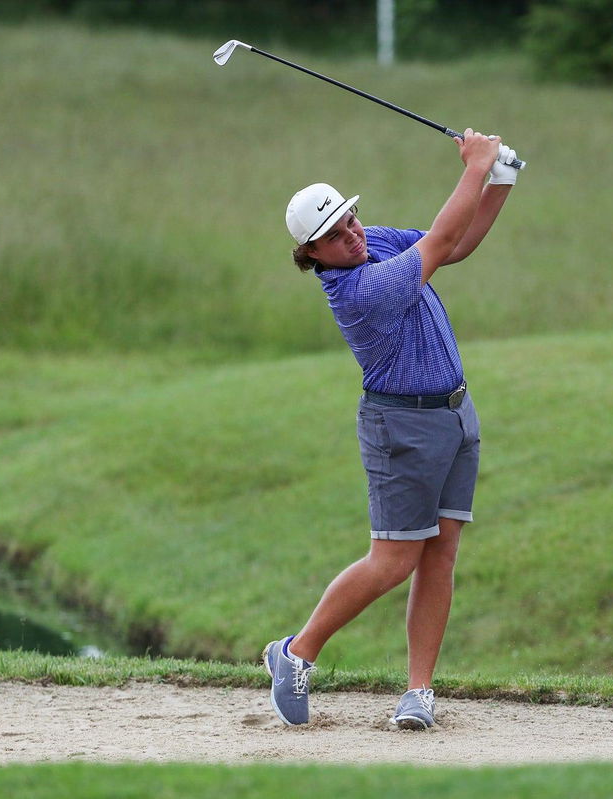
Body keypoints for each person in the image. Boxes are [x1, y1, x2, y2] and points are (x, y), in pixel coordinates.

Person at [263, 129, 518, 729]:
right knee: (393, 560)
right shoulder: (357, 289)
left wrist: (499, 181)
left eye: (350, 219)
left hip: (456, 413)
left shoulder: (370, 243)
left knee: (441, 552)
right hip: (401, 425)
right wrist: (475, 167)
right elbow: (441, 239)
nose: (352, 234)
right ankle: (296, 653)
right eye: (334, 235)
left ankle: (418, 693)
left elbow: (453, 247)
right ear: (312, 255)